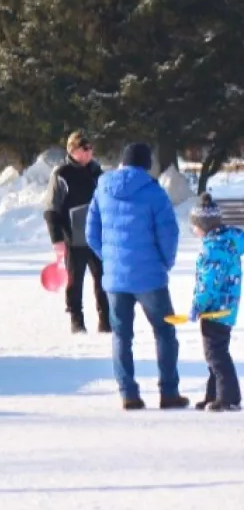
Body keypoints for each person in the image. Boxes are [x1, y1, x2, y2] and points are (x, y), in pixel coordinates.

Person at [87, 142, 188, 410]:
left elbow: (90, 233)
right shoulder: (153, 192)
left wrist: (110, 259)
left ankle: (128, 394)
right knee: (165, 331)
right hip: (150, 277)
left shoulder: (102, 188)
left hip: (115, 280)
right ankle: (168, 392)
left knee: (121, 335)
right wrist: (165, 262)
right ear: (146, 164)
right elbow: (169, 233)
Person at [46, 132, 110, 334]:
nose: (90, 151)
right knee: (75, 280)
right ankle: (77, 320)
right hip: (73, 237)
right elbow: (51, 209)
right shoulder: (61, 174)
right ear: (73, 150)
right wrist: (57, 238)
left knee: (103, 278)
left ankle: (106, 321)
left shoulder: (96, 172)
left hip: (97, 236)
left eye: (91, 148)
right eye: (85, 148)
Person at [189, 194, 242, 412]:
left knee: (216, 354)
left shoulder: (213, 249)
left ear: (202, 226)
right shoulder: (226, 241)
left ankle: (229, 398)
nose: (193, 230)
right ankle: (214, 394)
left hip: (216, 310)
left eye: (194, 225)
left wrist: (198, 304)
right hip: (224, 308)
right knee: (215, 353)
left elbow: (209, 283)